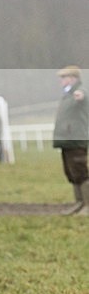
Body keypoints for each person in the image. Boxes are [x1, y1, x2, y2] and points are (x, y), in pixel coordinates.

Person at [52, 65, 89, 215]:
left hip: (76, 139)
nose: (61, 81)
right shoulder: (66, 95)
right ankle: (79, 203)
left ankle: (87, 205)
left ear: (73, 78)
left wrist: (80, 94)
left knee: (80, 171)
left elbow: (83, 95)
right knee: (71, 173)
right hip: (66, 140)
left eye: (64, 77)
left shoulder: (79, 91)